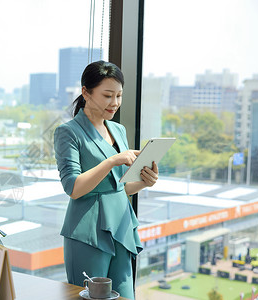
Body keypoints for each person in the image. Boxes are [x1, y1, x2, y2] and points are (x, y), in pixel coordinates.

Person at [54, 60, 159, 299]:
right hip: (87, 231)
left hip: (121, 225)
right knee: (92, 297)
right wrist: (113, 160)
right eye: (108, 95)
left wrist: (145, 181)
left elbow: (118, 187)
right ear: (85, 92)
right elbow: (73, 188)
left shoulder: (118, 130)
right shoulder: (68, 132)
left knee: (125, 295)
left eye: (119, 95)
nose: (115, 103)